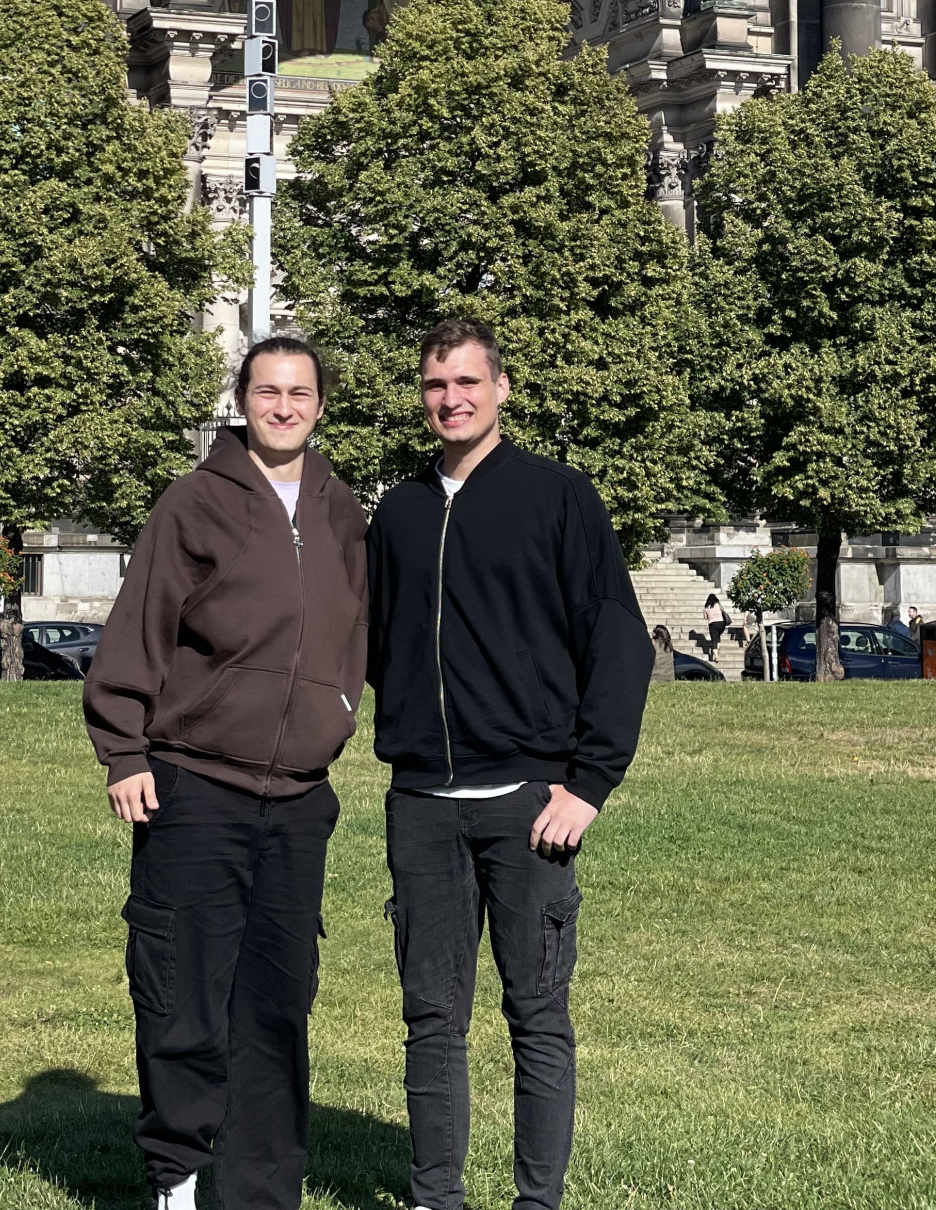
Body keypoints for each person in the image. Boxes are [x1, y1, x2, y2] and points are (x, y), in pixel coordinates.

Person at [366, 316, 652, 1210]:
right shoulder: (401, 511)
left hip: (530, 804)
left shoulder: (558, 496)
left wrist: (589, 784)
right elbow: (378, 643)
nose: (450, 399)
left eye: (467, 383)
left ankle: (537, 1201)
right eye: (434, 385)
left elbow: (619, 643)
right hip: (422, 802)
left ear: (501, 391)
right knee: (431, 1020)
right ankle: (434, 1198)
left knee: (536, 1018)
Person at [83, 338, 368, 1210]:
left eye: (301, 393)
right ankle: (179, 1171)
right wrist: (126, 751)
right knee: (184, 994)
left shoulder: (344, 512)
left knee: (278, 1006)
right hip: (194, 785)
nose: (285, 407)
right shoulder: (193, 505)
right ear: (242, 398)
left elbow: (362, 633)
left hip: (299, 799)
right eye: (268, 391)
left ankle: (260, 1189)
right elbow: (141, 627)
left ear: (321, 405)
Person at [703, 592, 727, 660]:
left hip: (712, 624)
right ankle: (716, 651)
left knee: (714, 640)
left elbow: (705, 617)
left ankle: (716, 656)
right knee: (718, 637)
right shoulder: (718, 604)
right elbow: (723, 609)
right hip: (721, 623)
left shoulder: (706, 607)